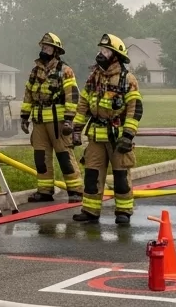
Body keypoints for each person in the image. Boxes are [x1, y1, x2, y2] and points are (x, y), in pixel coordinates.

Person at [71, 34, 142, 225]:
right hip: (96, 136)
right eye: (101, 50)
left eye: (106, 51)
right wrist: (76, 129)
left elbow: (135, 110)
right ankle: (90, 210)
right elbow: (83, 104)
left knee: (120, 177)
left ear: (116, 56)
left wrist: (128, 135)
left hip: (118, 137)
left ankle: (124, 211)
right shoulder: (93, 78)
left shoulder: (128, 79)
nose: (100, 54)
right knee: (92, 175)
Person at [20, 32, 83, 203]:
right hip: (39, 121)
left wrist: (69, 119)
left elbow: (72, 96)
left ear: (55, 51)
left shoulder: (65, 70)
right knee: (41, 157)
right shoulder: (35, 71)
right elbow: (28, 95)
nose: (43, 49)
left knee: (64, 157)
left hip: (58, 122)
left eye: (47, 47)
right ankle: (45, 191)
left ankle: (76, 191)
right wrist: (24, 116)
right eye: (42, 47)